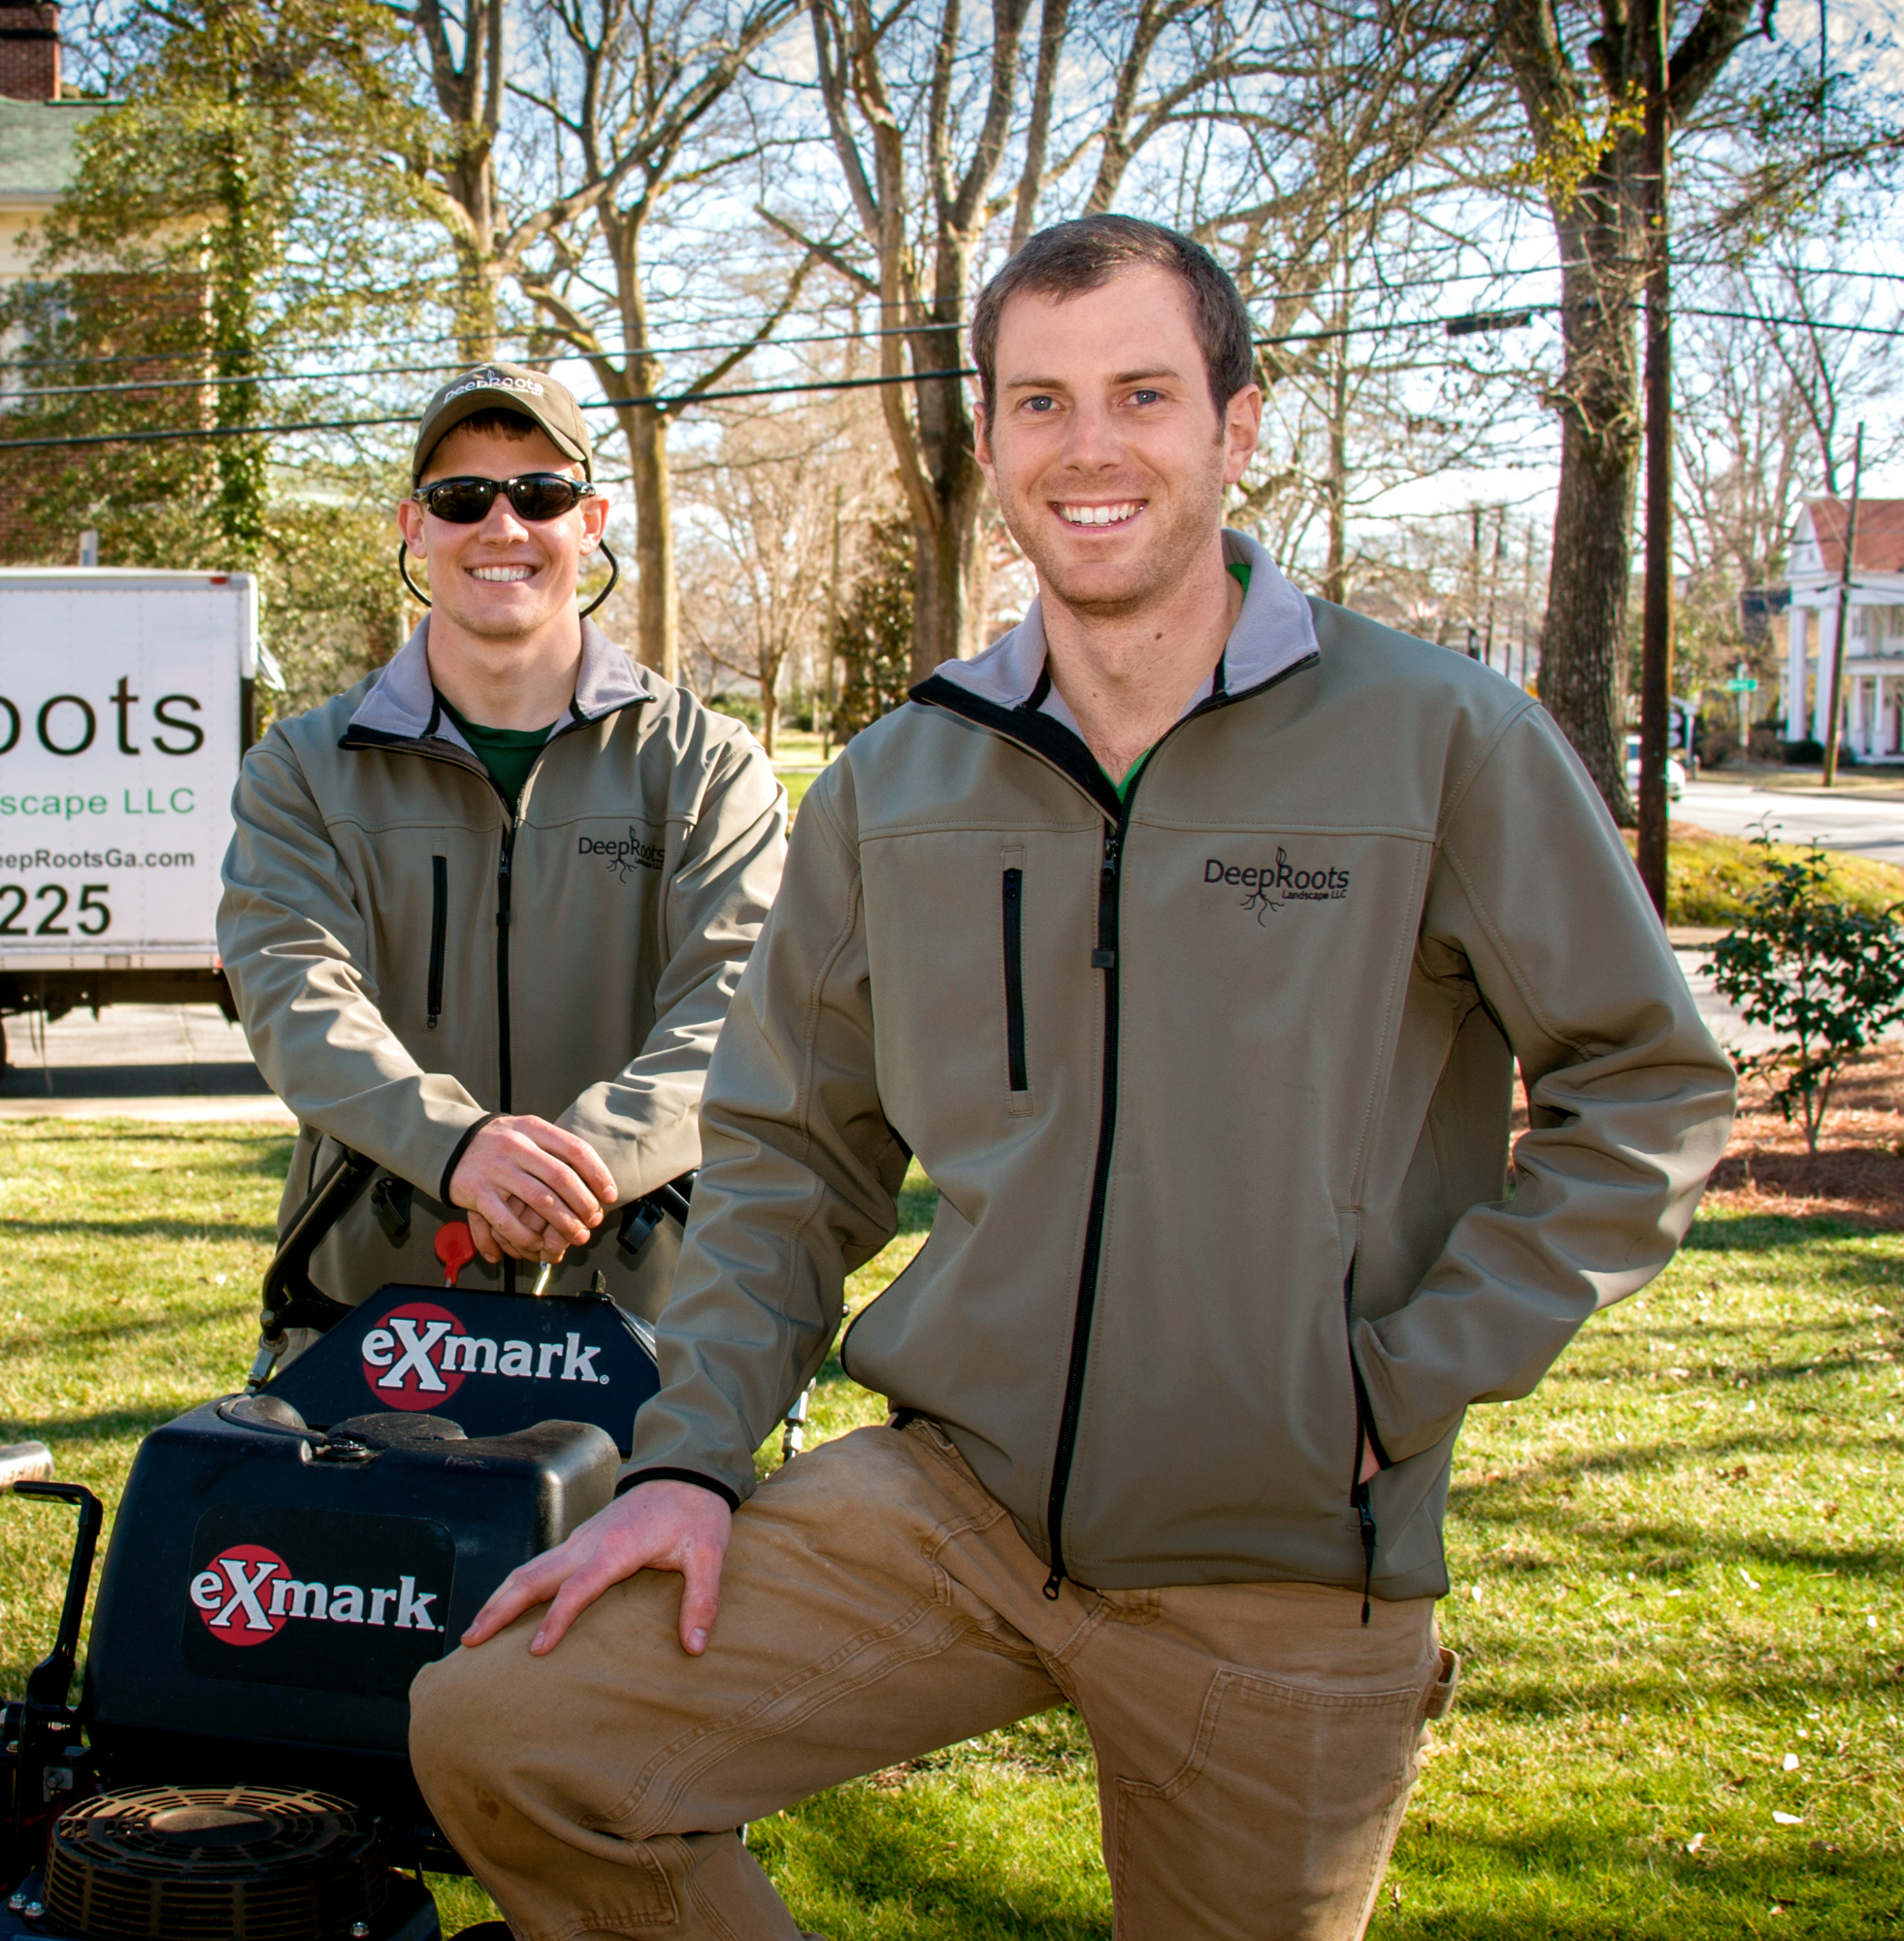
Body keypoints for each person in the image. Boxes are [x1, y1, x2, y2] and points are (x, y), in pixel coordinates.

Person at [410, 218, 1736, 1940]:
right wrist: (686, 1462)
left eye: (1142, 393)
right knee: (510, 1731)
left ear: (1236, 425)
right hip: (954, 1497)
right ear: (989, 435)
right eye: (1039, 400)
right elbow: (788, 1151)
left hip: (1286, 1551)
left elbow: (1644, 1084)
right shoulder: (899, 779)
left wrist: (1403, 1376)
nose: (1088, 446)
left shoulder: (1437, 739)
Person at [217, 363, 789, 1343]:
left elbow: (740, 1004)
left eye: (540, 494)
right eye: (461, 496)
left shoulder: (707, 764)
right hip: (368, 1315)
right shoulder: (303, 768)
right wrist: (455, 1149)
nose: (502, 525)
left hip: (656, 1315)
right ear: (415, 526)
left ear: (591, 518)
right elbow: (292, 990)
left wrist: (569, 1167)